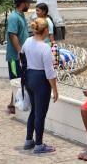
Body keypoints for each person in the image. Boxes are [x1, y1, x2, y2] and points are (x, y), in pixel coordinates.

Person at [22, 18, 59, 153]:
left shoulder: (27, 41)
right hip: (41, 80)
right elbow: (49, 72)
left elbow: (22, 57)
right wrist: (55, 89)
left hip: (29, 77)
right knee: (40, 114)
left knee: (34, 110)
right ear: (46, 31)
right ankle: (38, 144)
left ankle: (28, 140)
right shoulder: (45, 48)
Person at [6, 0, 31, 114]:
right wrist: (20, 52)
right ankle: (14, 105)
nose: (29, 5)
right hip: (15, 56)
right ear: (23, 3)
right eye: (28, 3)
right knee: (16, 79)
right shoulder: (14, 17)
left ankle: (13, 103)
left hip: (20, 55)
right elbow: (12, 35)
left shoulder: (20, 16)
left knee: (19, 79)